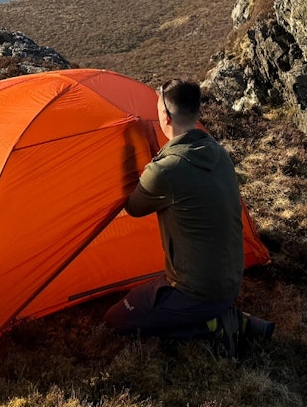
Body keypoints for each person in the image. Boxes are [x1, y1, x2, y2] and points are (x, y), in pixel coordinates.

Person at [103, 79, 273, 356]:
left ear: (165, 117)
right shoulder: (217, 152)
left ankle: (214, 323)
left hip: (195, 292)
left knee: (118, 318)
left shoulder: (166, 171)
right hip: (230, 282)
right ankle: (223, 314)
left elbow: (134, 207)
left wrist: (134, 149)